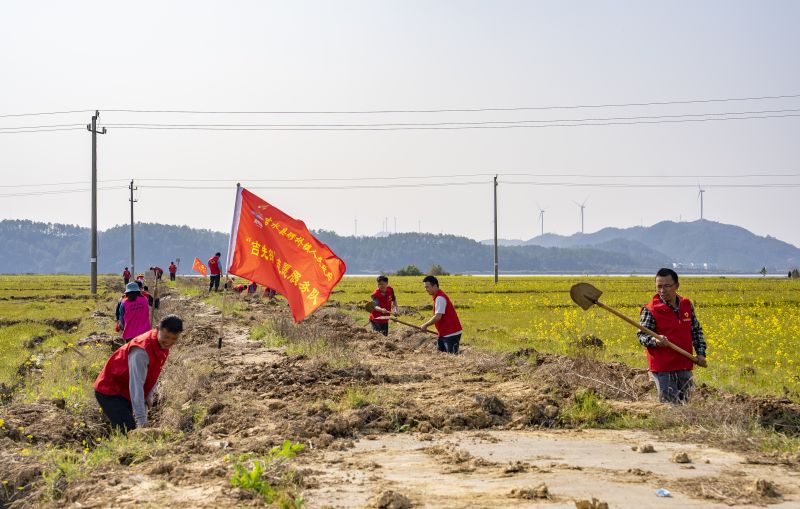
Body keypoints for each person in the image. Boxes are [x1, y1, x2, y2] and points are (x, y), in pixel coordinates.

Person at [94, 315, 183, 432]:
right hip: (110, 390)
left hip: (126, 389)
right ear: (157, 329)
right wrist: (142, 420)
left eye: (174, 339)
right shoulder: (141, 351)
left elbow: (156, 370)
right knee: (129, 429)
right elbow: (136, 386)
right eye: (166, 337)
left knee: (131, 425)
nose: (169, 342)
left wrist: (149, 395)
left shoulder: (163, 344)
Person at [638, 268, 708, 404]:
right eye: (659, 286)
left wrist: (701, 353)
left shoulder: (686, 305)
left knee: (686, 404)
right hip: (663, 367)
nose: (662, 290)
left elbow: (696, 330)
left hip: (684, 364)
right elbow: (642, 336)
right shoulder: (650, 310)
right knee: (670, 407)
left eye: (667, 286)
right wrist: (655, 340)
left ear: (676, 286)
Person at [420, 275, 463, 354]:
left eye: (427, 287)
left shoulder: (440, 298)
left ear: (435, 286)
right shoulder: (437, 296)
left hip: (451, 333)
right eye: (425, 287)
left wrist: (425, 325)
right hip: (443, 333)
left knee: (451, 358)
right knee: (440, 356)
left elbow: (437, 317)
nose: (426, 289)